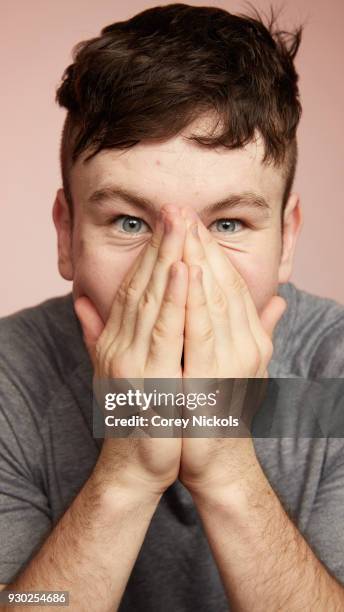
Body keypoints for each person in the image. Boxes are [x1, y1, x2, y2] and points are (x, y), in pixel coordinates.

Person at [1, 3, 344, 610]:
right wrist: (129, 471)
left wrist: (226, 468)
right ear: (66, 233)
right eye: (130, 221)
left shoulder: (336, 371)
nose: (181, 270)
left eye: (230, 222)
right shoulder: (9, 380)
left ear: (286, 239)